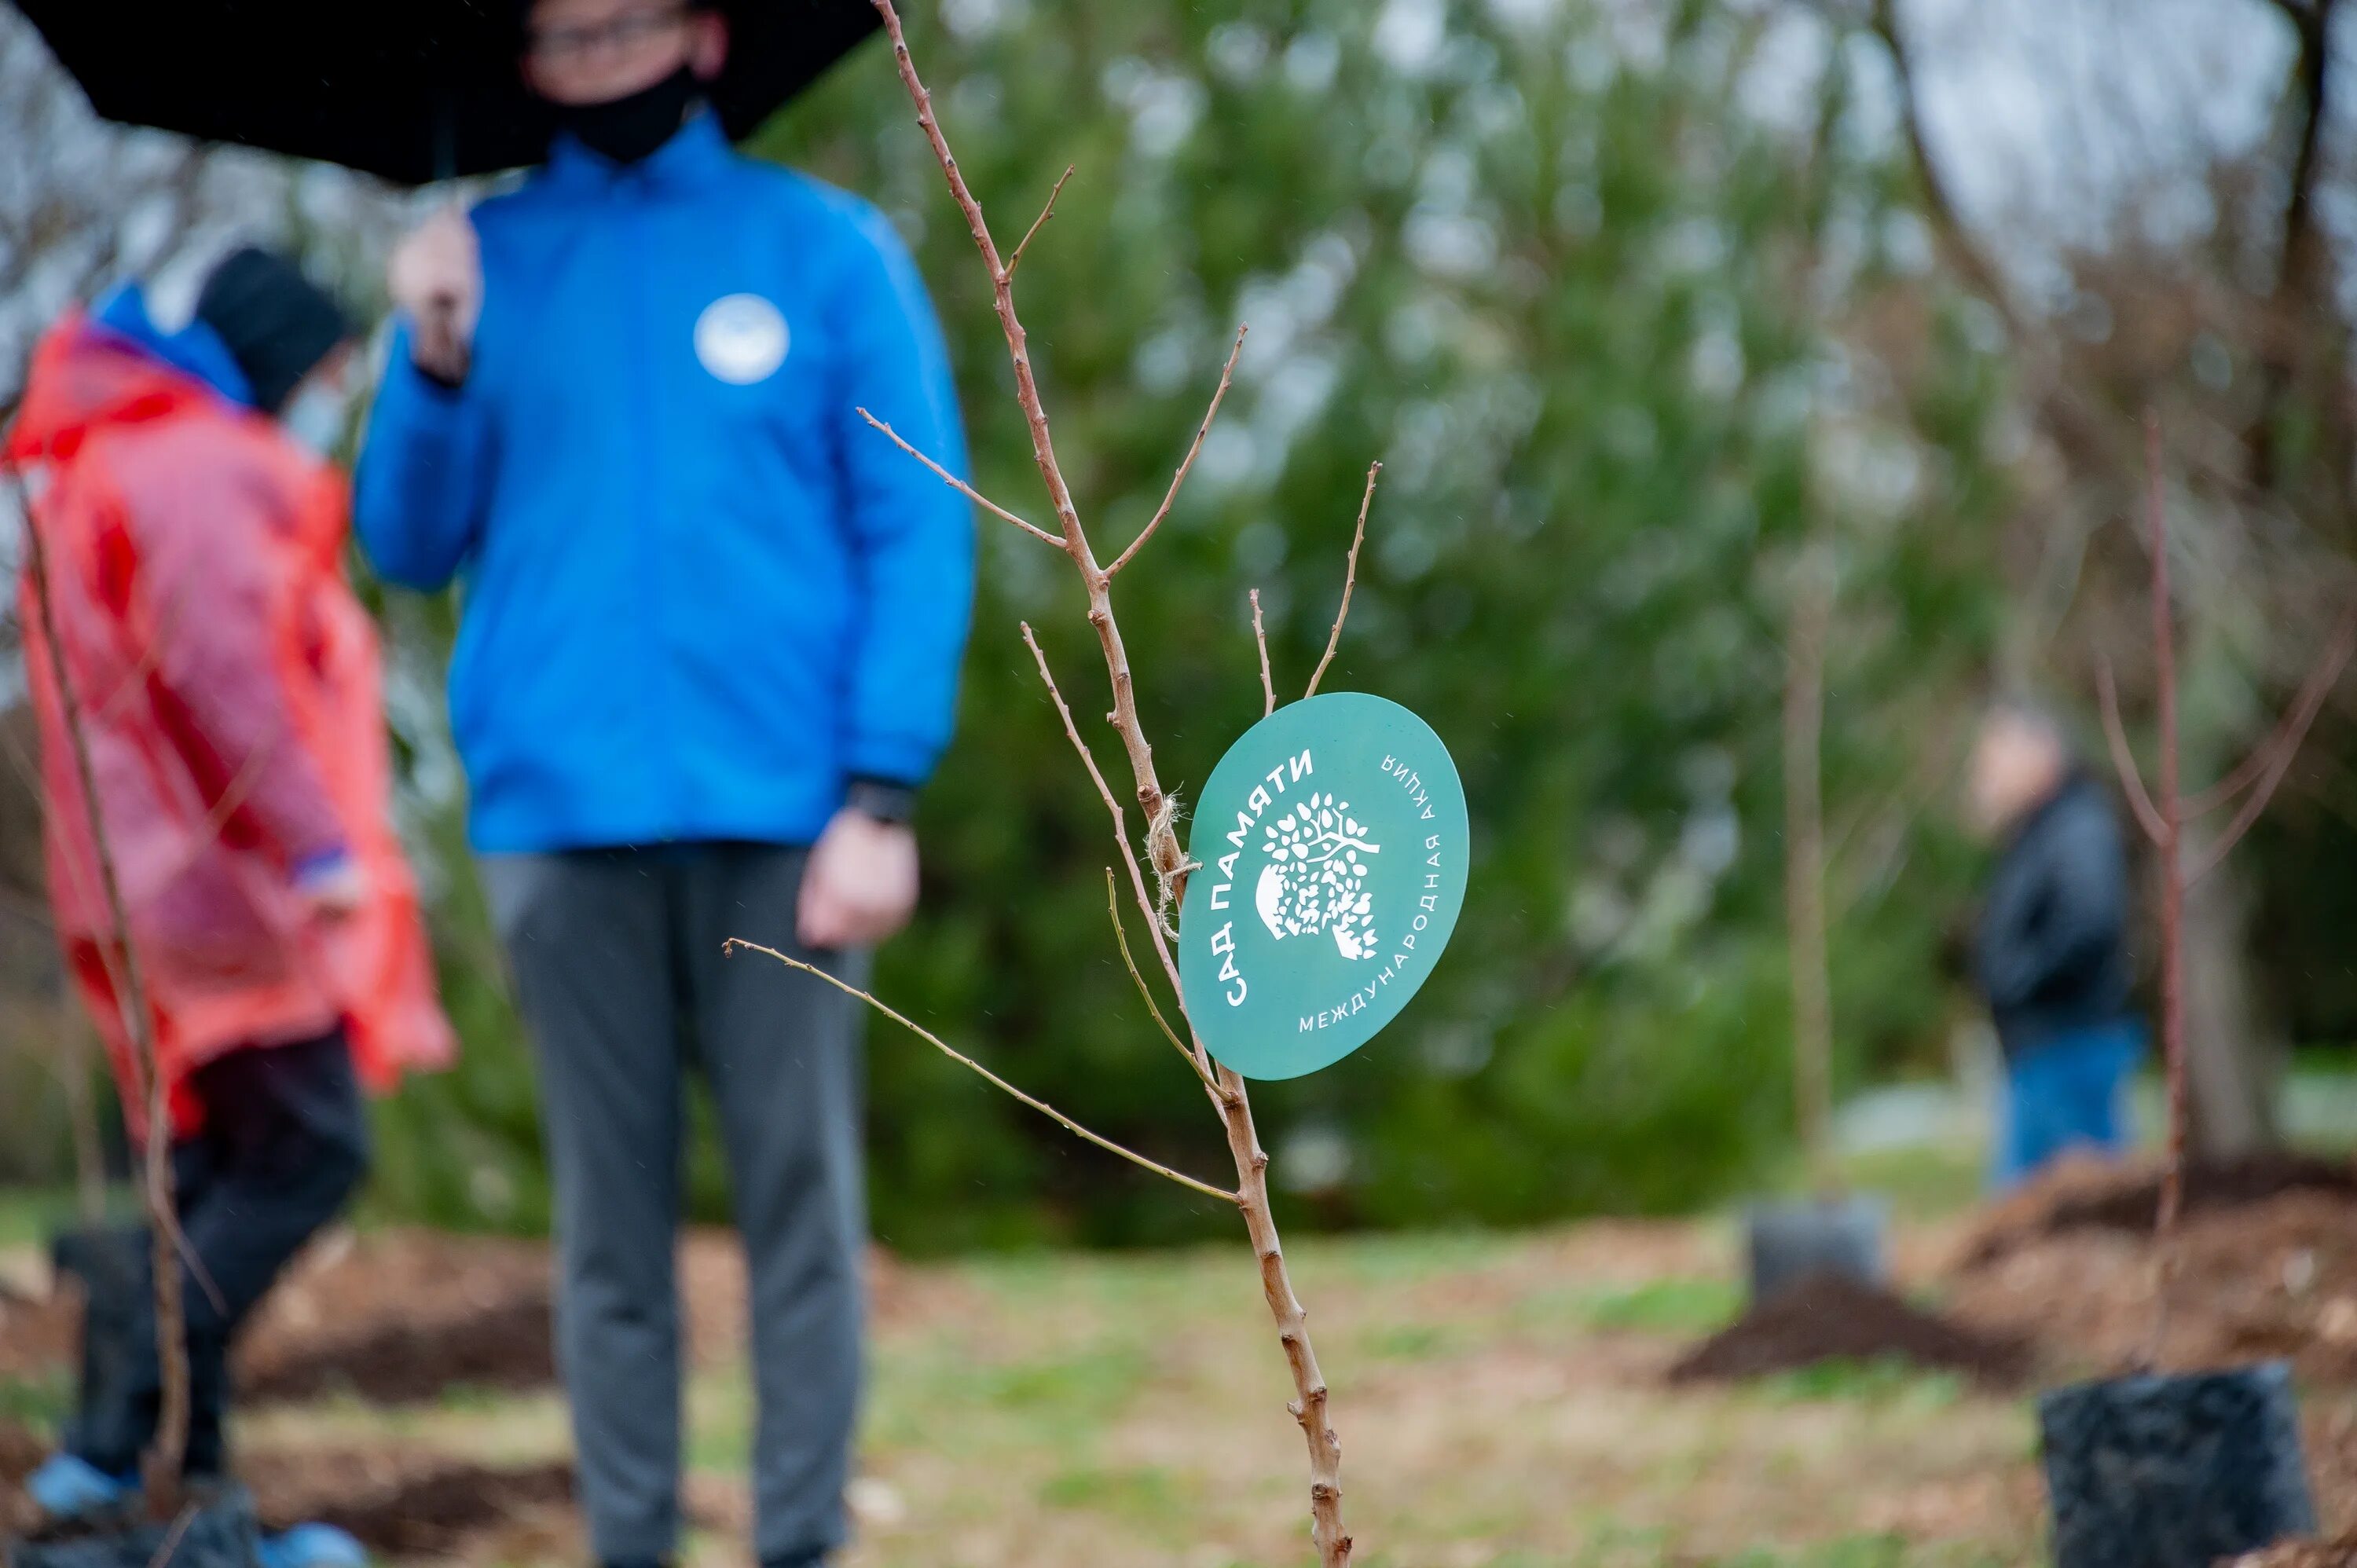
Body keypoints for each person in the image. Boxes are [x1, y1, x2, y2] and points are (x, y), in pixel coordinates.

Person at [353, 2, 973, 1563]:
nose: (596, 59)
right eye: (564, 36)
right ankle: (630, 1539)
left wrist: (881, 791)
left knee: (800, 1214)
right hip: (560, 827)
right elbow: (406, 544)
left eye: (625, 22)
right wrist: (430, 359)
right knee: (606, 1232)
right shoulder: (475, 267)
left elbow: (918, 525)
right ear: (524, 61)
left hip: (791, 821)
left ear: (700, 33)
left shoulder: (825, 251)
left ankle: (801, 1537)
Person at [6, 246, 455, 1550]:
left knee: (207, 1168)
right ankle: (115, 1434)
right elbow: (224, 669)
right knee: (308, 1152)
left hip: (147, 883)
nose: (330, 395)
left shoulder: (113, 458)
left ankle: (170, 1485)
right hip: (220, 884)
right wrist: (320, 848)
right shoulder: (199, 464)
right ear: (272, 357)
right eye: (325, 370)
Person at [1967, 701, 2145, 1188]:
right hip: (2045, 1052)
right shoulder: (2043, 832)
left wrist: (2017, 981)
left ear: (2042, 752)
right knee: (2034, 1220)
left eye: (1995, 760)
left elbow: (2090, 922)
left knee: (2080, 1210)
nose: (1985, 778)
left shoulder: (2075, 828)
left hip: (2068, 1050)